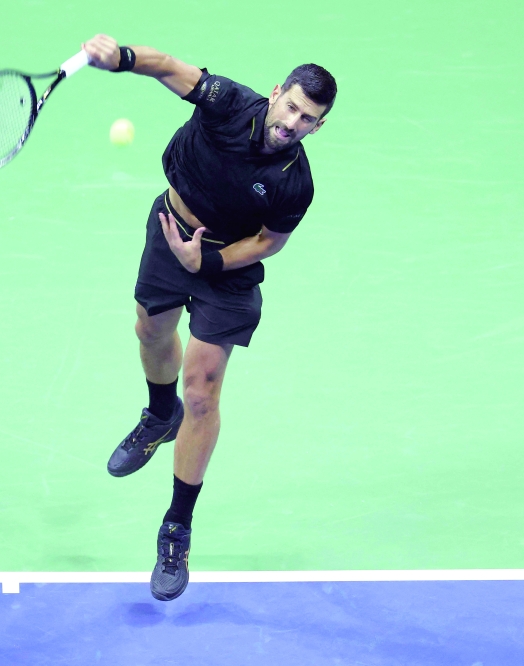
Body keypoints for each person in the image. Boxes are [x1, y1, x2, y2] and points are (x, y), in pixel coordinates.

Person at [82, 34, 337, 601]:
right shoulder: (226, 102)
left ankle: (176, 526)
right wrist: (119, 57)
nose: (294, 122)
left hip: (229, 267)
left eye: (309, 119)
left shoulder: (296, 181)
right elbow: (168, 66)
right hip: (173, 231)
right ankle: (157, 413)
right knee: (150, 330)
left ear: (318, 127)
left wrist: (214, 260)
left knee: (203, 391)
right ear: (276, 94)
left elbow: (270, 241)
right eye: (292, 106)